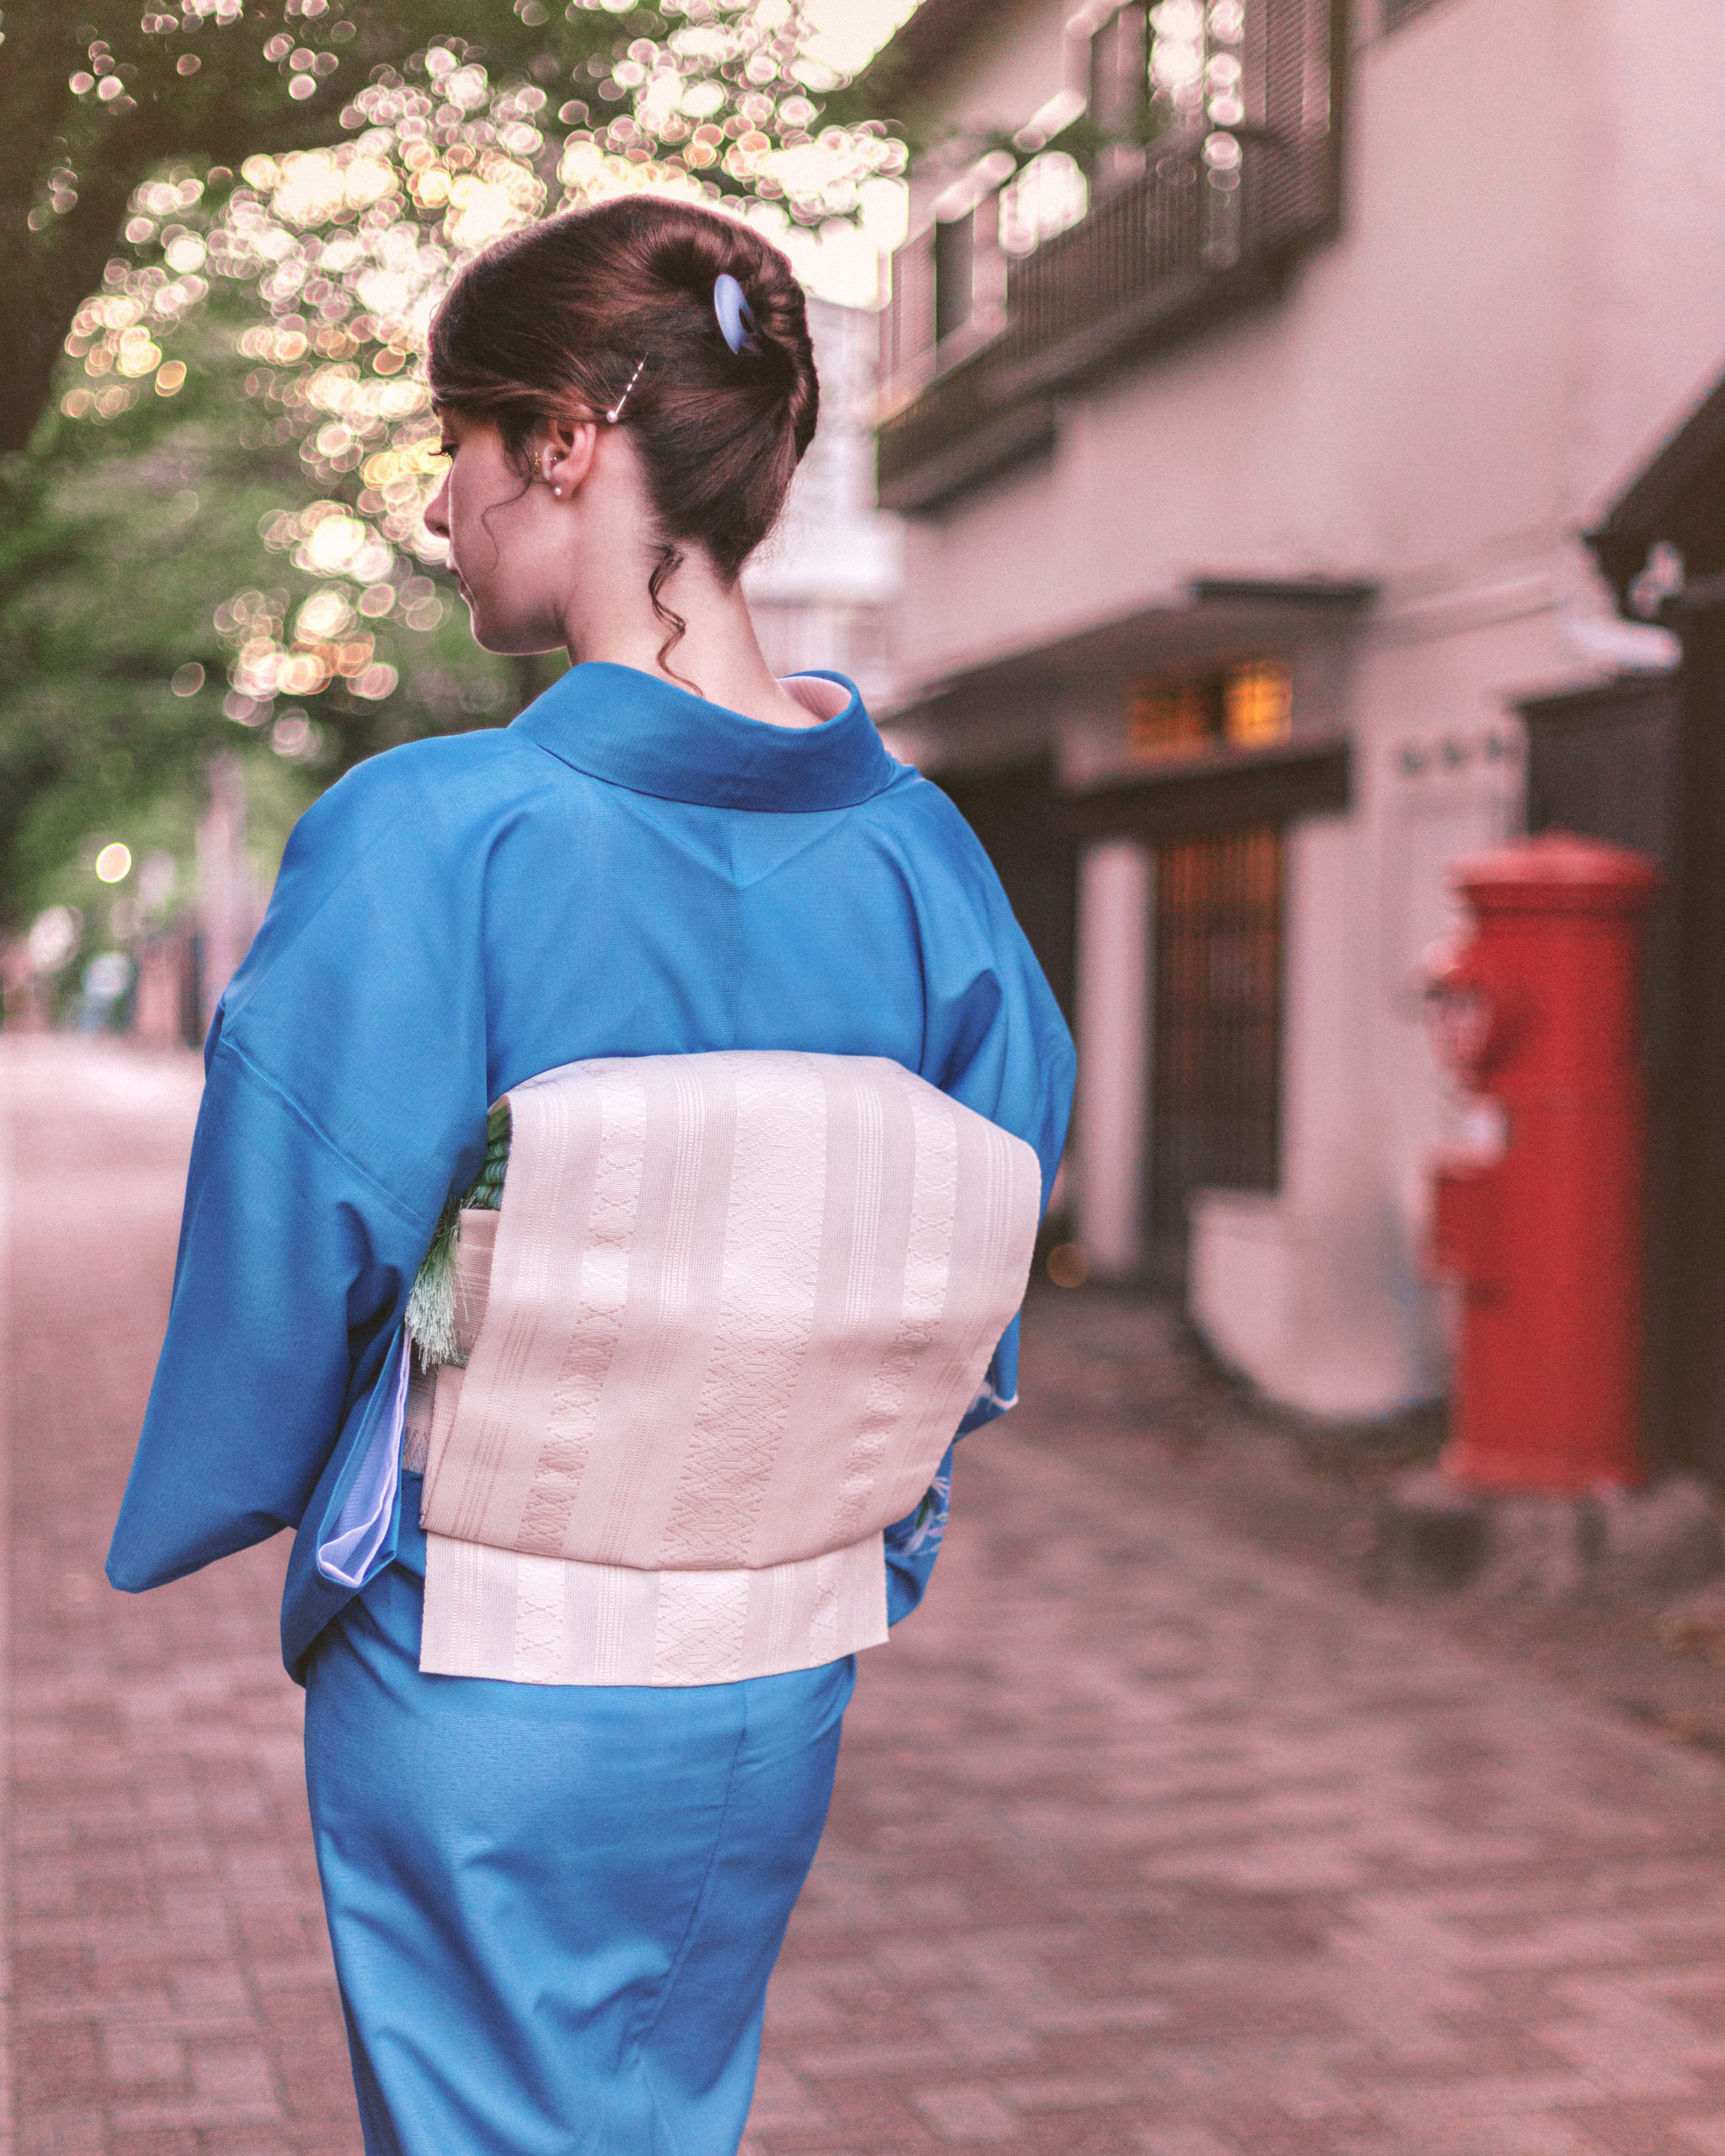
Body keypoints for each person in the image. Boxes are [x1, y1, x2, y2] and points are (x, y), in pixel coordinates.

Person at [107, 195, 1075, 2156]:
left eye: (454, 443)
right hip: (777, 1655)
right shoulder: (926, 865)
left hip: (483, 1651)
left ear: (563, 439)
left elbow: (291, 1262)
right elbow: (969, 1276)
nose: (436, 505)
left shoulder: (434, 832)